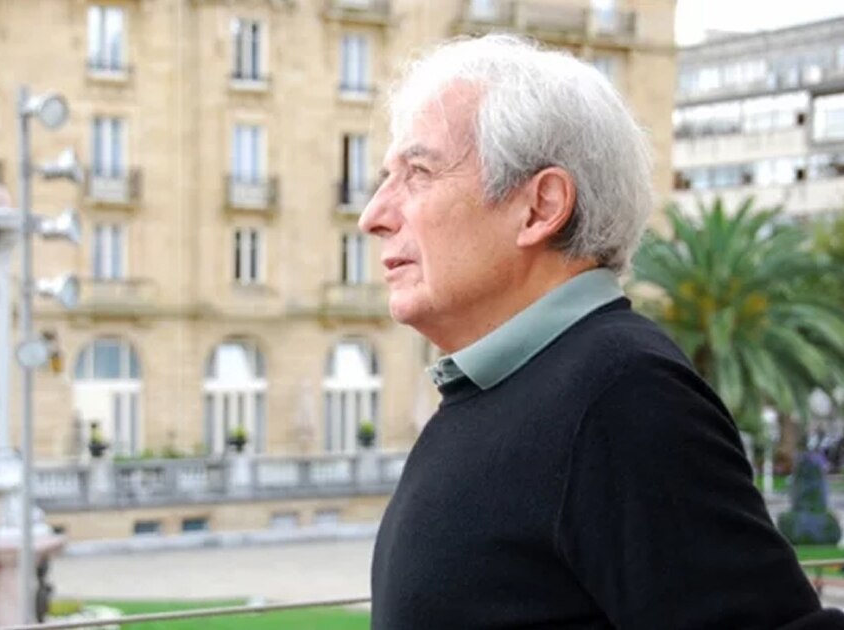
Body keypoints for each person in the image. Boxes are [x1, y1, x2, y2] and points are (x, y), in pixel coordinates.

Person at [359, 34, 844, 629]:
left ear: (540, 208)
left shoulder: (622, 394)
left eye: (417, 173)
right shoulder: (508, 387)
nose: (373, 215)